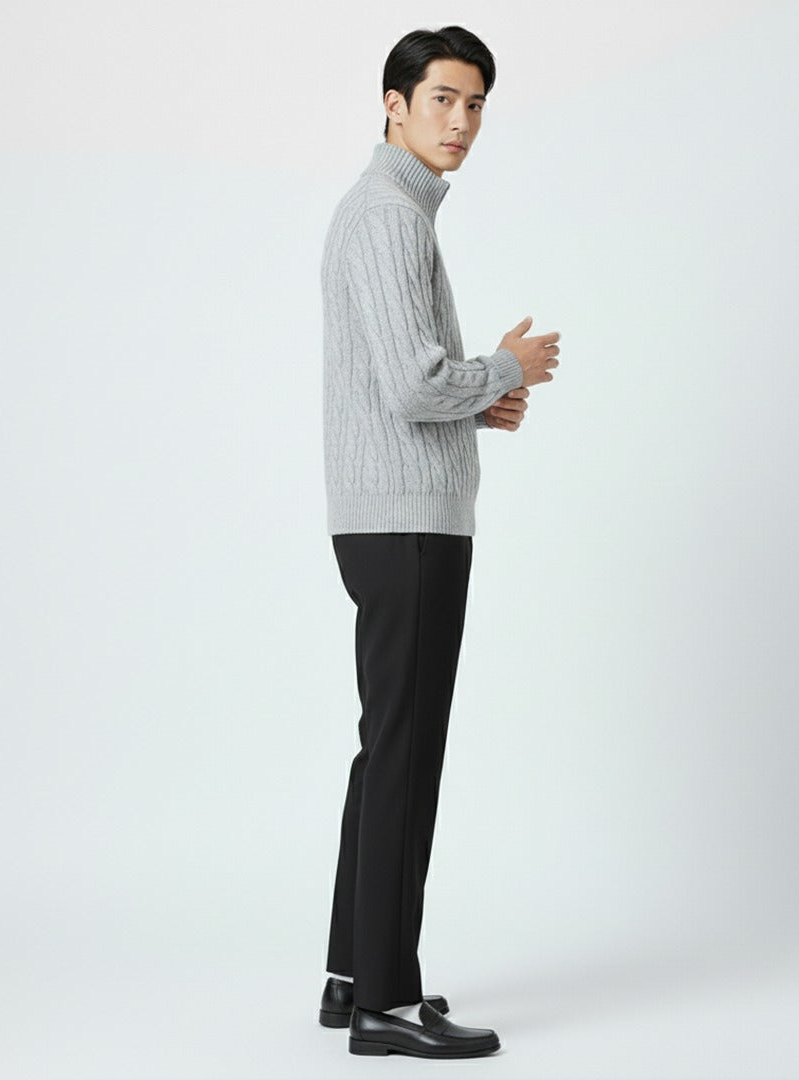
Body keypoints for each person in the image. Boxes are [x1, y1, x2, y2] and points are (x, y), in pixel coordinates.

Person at [317, 25, 561, 1059]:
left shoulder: (393, 211)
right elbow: (415, 384)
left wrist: (476, 405)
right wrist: (503, 370)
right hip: (407, 525)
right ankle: (386, 1002)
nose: (460, 122)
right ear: (394, 104)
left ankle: (351, 979)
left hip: (394, 518)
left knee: (388, 750)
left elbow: (401, 387)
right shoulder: (387, 215)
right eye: (442, 100)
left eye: (475, 105)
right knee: (405, 757)